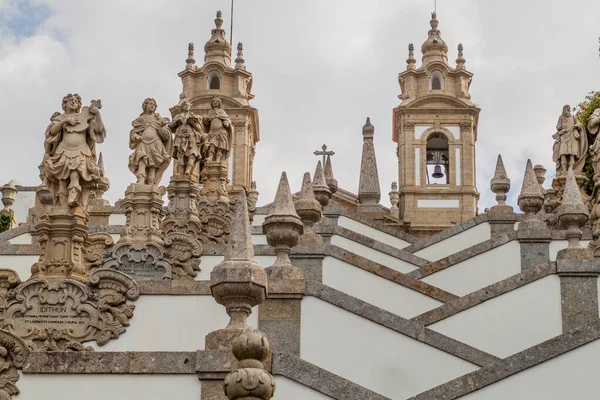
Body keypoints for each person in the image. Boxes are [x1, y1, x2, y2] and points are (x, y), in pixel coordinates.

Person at [43, 94, 106, 207]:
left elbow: (98, 130)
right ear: (65, 104)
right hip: (62, 152)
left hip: (81, 152)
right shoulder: (60, 118)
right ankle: (62, 208)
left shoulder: (84, 117)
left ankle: (72, 200)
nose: (73, 102)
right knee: (61, 181)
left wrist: (97, 114)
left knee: (75, 175)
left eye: (76, 101)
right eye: (70, 100)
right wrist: (65, 121)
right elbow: (52, 132)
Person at [128, 98, 172, 185]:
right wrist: (136, 137)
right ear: (145, 106)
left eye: (154, 105)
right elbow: (133, 132)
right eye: (150, 104)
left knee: (153, 163)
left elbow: (166, 135)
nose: (152, 106)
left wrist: (162, 126)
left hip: (156, 143)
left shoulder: (158, 118)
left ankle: (151, 181)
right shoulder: (141, 119)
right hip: (143, 142)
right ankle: (141, 178)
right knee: (141, 160)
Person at [170, 100, 206, 177]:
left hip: (191, 138)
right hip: (180, 136)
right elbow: (170, 127)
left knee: (192, 154)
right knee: (180, 155)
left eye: (188, 105)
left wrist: (193, 123)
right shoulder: (178, 116)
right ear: (182, 107)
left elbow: (199, 128)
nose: (187, 106)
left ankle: (188, 170)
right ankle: (180, 171)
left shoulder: (194, 117)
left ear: (191, 107)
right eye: (185, 105)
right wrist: (176, 123)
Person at [552, 105, 586, 174]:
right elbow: (558, 126)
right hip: (564, 137)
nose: (568, 110)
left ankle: (572, 170)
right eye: (566, 108)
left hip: (572, 137)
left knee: (572, 154)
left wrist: (576, 126)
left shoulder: (573, 117)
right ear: (563, 109)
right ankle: (564, 171)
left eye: (568, 109)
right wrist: (562, 128)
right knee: (563, 154)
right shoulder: (561, 118)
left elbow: (580, 125)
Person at [203, 97, 232, 163]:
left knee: (220, 146)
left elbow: (227, 119)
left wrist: (226, 123)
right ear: (212, 103)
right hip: (212, 132)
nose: (215, 102)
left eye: (216, 101)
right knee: (211, 145)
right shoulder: (210, 112)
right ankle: (210, 157)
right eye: (214, 101)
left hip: (221, 132)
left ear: (219, 103)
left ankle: (218, 159)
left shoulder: (222, 111)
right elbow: (208, 122)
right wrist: (205, 121)